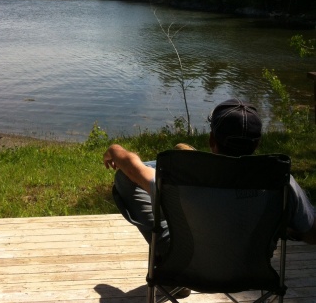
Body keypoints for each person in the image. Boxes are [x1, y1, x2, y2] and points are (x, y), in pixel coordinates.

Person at [103, 98, 316, 254]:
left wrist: (114, 149)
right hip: (250, 272)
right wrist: (286, 227)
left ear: (211, 140)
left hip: (185, 264)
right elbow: (310, 232)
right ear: (257, 144)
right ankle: (185, 154)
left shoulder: (184, 179)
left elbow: (131, 168)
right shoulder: (279, 179)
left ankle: (185, 157)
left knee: (127, 178)